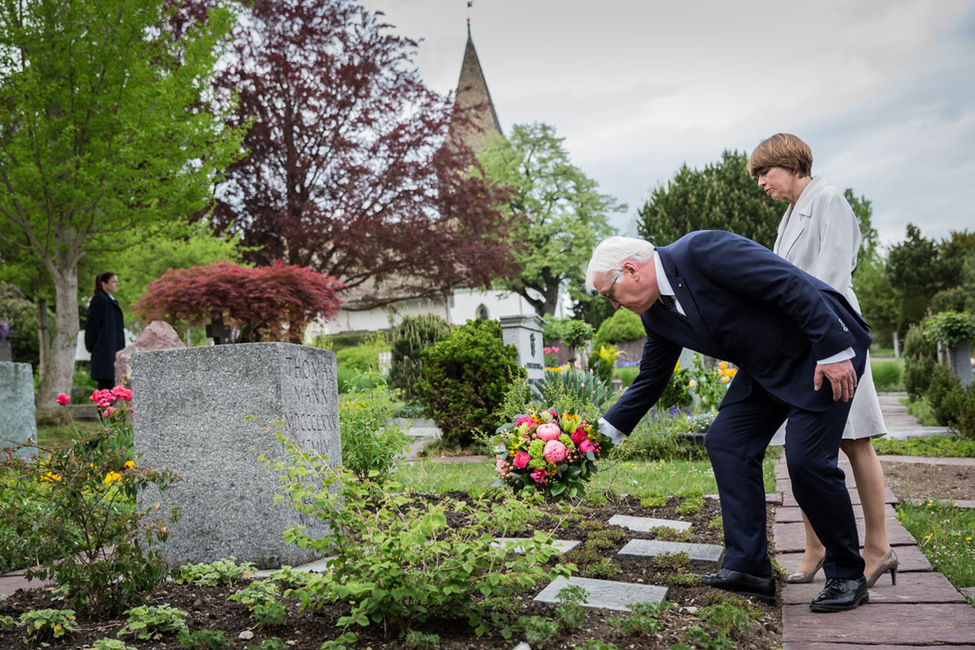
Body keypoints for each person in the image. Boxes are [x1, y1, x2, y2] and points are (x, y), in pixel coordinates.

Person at [586, 231, 872, 612]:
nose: (613, 305)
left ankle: (848, 574)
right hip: (766, 368)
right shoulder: (657, 314)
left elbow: (788, 282)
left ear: (630, 269)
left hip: (820, 350)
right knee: (727, 441)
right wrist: (595, 439)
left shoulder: (702, 251)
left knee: (806, 462)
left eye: (609, 294)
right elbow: (651, 379)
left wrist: (833, 350)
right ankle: (749, 567)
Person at [749, 133, 897, 589]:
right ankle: (816, 547)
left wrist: (825, 348)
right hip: (804, 344)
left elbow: (832, 275)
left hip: (836, 339)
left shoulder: (828, 199)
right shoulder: (790, 215)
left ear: (792, 164)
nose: (760, 184)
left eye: (764, 173)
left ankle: (878, 548)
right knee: (810, 450)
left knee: (855, 442)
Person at [85, 272, 125, 391]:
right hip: (104, 352)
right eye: (113, 281)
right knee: (105, 389)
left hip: (113, 351)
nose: (117, 284)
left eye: (117, 281)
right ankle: (104, 411)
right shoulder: (99, 300)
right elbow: (92, 326)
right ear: (104, 284)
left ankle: (108, 410)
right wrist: (92, 346)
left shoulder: (111, 301)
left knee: (111, 389)